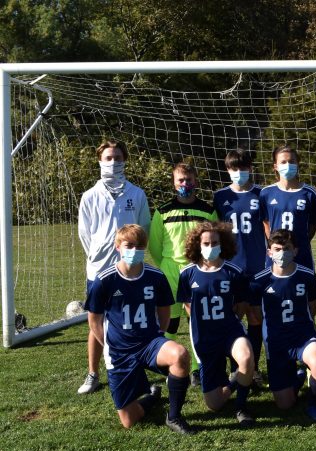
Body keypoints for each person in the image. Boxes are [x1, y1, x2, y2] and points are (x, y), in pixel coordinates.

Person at [86, 225, 193, 434]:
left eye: (139, 246)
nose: (134, 250)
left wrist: (158, 336)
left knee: (179, 354)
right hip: (119, 351)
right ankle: (152, 398)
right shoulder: (104, 280)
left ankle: (174, 416)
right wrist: (109, 345)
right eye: (129, 245)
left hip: (149, 343)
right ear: (118, 246)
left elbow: (164, 311)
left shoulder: (156, 276)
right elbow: (94, 321)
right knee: (129, 421)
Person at [78, 140, 151, 394]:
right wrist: (99, 257)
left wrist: (131, 257)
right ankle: (93, 373)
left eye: (118, 158)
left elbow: (143, 229)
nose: (113, 163)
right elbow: (85, 235)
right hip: (98, 269)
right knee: (96, 320)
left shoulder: (137, 194)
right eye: (108, 158)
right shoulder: (89, 196)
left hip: (129, 269)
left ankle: (136, 368)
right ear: (100, 161)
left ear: (124, 161)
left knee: (131, 320)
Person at [177, 222, 255, 427]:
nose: (210, 247)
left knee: (246, 357)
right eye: (206, 243)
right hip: (204, 337)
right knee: (215, 404)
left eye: (215, 243)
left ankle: (241, 406)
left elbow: (241, 305)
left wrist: (230, 322)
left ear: (222, 244)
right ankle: (235, 380)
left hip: (230, 331)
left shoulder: (234, 271)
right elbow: (188, 306)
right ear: (197, 244)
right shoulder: (187, 274)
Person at [250, 229, 316, 423]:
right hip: (276, 340)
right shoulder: (260, 280)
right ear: (269, 252)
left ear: (295, 251)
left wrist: (303, 326)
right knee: (285, 405)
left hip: (302, 335)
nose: (282, 253)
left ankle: (313, 405)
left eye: (286, 248)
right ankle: (298, 377)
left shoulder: (307, 275)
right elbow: (257, 314)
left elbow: (312, 306)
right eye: (277, 249)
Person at [149, 163, 218, 386]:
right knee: (169, 321)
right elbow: (155, 245)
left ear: (195, 181)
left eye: (188, 180)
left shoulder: (207, 211)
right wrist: (166, 265)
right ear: (174, 183)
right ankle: (166, 364)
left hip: (196, 271)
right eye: (180, 180)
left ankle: (197, 368)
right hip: (170, 271)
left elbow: (214, 240)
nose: (185, 184)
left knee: (195, 321)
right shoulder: (163, 211)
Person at [213, 148, 266, 385]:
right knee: (232, 319)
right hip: (230, 268)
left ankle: (252, 368)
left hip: (256, 267)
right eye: (234, 168)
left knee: (255, 318)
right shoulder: (220, 196)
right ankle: (235, 368)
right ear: (227, 170)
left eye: (243, 167)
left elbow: (268, 228)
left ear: (250, 168)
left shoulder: (262, 194)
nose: (239, 172)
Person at [260, 146, 316, 271]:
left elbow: (313, 226)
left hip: (301, 252)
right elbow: (266, 223)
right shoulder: (266, 193)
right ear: (275, 166)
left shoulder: (310, 193)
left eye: (291, 161)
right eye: (283, 162)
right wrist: (276, 244)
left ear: (297, 164)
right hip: (276, 253)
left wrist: (298, 242)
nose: (288, 165)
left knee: (304, 282)